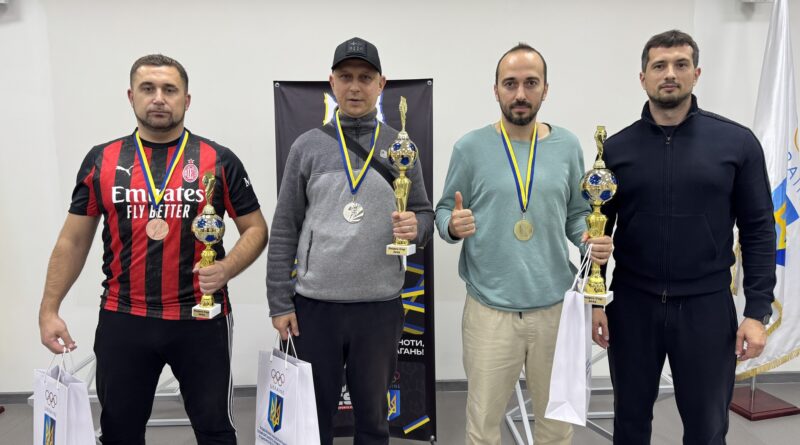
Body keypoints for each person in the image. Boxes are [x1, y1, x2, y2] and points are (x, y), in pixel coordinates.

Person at [38, 54, 269, 444]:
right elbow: (72, 240)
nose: (159, 98)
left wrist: (227, 267)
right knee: (120, 432)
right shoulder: (101, 160)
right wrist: (49, 309)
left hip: (201, 318)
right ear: (131, 97)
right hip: (124, 317)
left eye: (169, 89)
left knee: (215, 430)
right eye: (148, 88)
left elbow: (256, 228)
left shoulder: (219, 160)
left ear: (186, 100)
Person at [592, 30, 775, 444]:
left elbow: (760, 230)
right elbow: (599, 230)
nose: (670, 74)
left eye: (680, 65)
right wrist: (595, 301)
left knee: (707, 428)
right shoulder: (616, 150)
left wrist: (756, 311)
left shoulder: (737, 143)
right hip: (633, 306)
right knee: (630, 423)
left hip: (706, 307)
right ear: (643, 78)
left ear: (696, 73)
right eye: (659, 66)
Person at [435, 43, 612, 445]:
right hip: (489, 310)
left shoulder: (567, 146)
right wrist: (452, 225)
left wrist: (588, 239)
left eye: (531, 83)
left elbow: (575, 215)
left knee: (556, 424)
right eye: (510, 83)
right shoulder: (470, 147)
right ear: (495, 89)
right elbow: (444, 210)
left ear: (545, 89)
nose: (520, 93)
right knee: (483, 425)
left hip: (554, 309)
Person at [266, 37, 434, 445]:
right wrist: (280, 302)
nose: (355, 87)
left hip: (378, 307)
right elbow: (285, 226)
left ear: (381, 84)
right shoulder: (306, 146)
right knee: (312, 419)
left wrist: (416, 226)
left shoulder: (401, 148)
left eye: (365, 78)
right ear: (332, 83)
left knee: (374, 421)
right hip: (314, 308)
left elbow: (425, 214)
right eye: (345, 77)